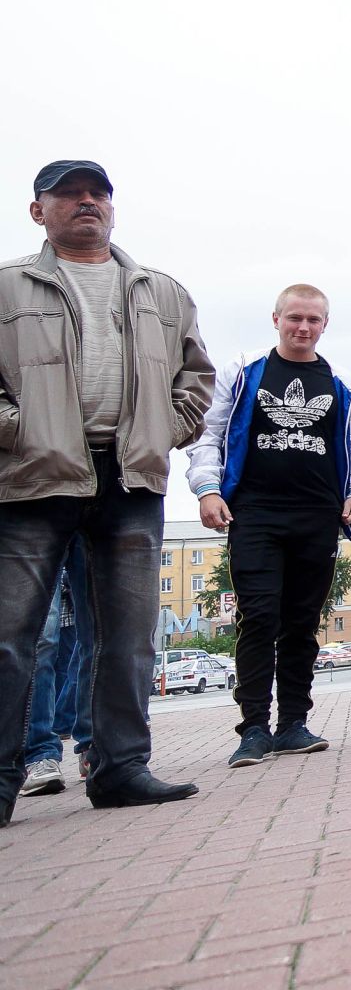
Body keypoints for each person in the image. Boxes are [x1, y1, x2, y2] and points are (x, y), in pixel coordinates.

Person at [0, 159, 215, 823]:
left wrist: (161, 432)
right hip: (33, 479)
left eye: (98, 193)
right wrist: (19, 430)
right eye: (69, 194)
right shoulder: (7, 288)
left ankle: (120, 769)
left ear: (113, 210)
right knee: (10, 635)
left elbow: (196, 377)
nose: (87, 202)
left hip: (129, 478)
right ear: (39, 211)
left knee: (126, 638)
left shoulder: (162, 291)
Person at [188, 283, 351, 768]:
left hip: (318, 515)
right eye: (294, 318)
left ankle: (293, 723)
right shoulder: (244, 370)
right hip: (254, 514)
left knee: (301, 622)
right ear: (276, 319)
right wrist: (207, 488)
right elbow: (209, 431)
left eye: (313, 320)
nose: (303, 328)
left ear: (325, 325)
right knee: (260, 616)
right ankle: (253, 729)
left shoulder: (342, 381)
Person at [21, 545, 93, 798]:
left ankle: (93, 747)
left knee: (96, 635)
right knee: (41, 639)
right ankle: (39, 755)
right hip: (37, 513)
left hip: (94, 512)